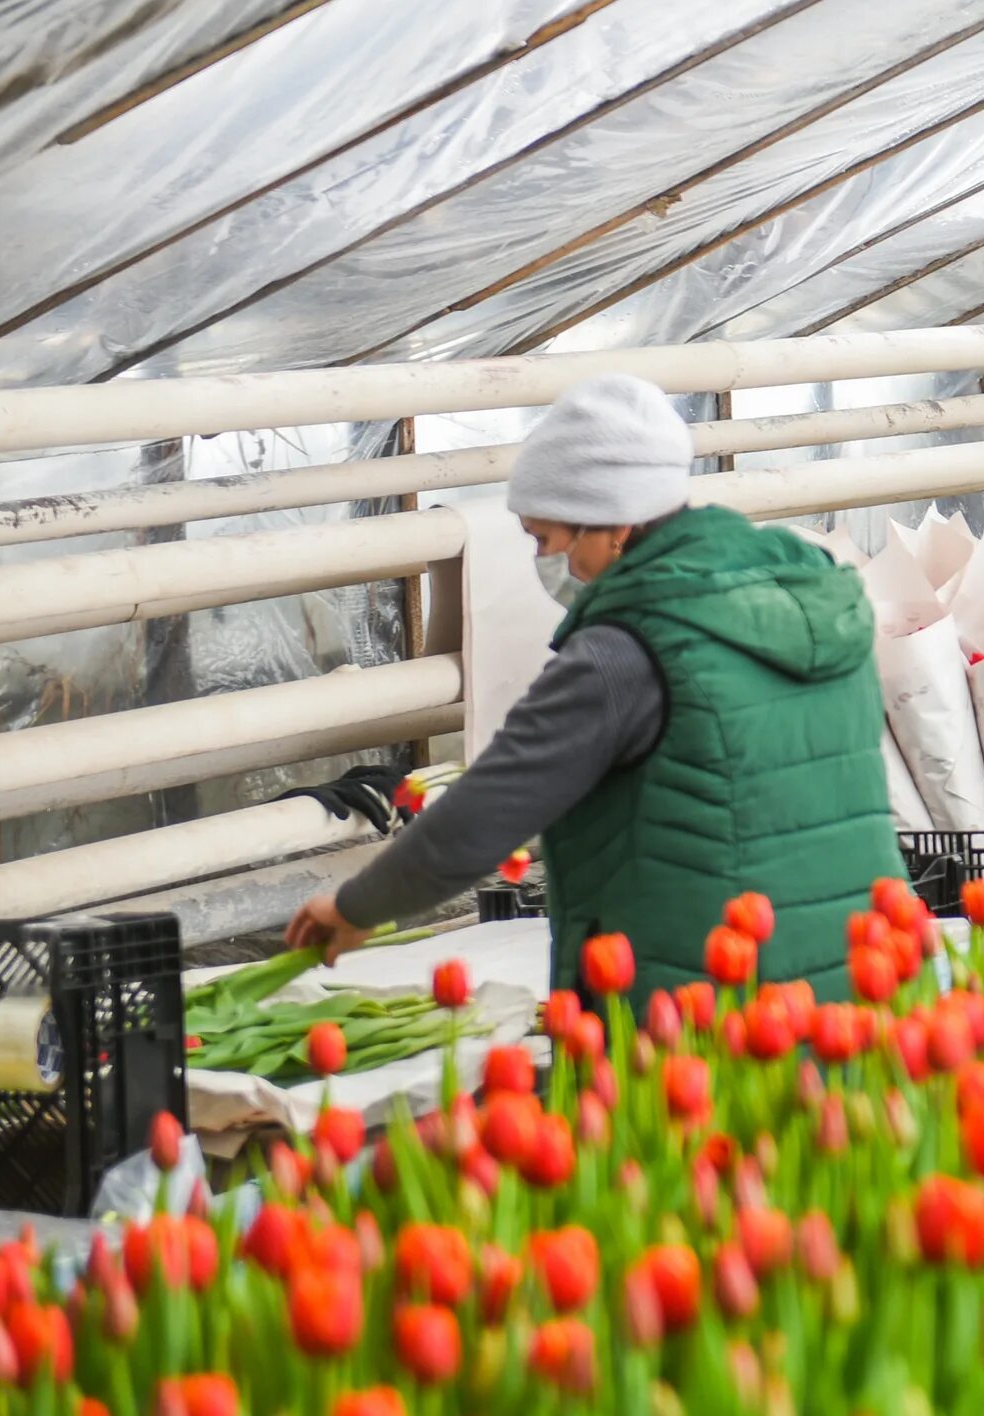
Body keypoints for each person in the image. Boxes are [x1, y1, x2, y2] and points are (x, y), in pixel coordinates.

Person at [285, 374, 905, 998]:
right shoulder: (815, 597)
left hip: (706, 1002)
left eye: (547, 541)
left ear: (612, 525)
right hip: (855, 980)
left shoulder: (626, 651)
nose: (546, 564)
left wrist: (355, 906)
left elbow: (487, 811)